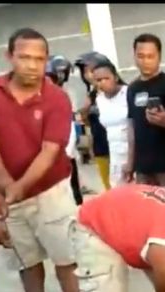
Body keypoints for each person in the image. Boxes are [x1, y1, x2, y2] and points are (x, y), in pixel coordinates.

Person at [0, 28, 88, 292]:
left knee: (66, 258)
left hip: (51, 191)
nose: (32, 65)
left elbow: (50, 152)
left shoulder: (57, 99)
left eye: (39, 59)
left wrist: (18, 187)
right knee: (26, 259)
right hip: (10, 194)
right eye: (24, 57)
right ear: (9, 57)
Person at [124, 33, 165, 191]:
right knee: (147, 215)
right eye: (140, 56)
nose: (145, 61)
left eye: (150, 56)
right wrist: (130, 163)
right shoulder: (133, 88)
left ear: (159, 57)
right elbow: (132, 128)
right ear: (134, 56)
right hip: (143, 170)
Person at [46, 55, 84, 206]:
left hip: (65, 152)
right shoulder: (49, 95)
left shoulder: (63, 94)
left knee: (72, 191)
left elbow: (70, 124)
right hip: (56, 153)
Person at [75, 51, 113, 192]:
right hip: (101, 149)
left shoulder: (118, 91)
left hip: (118, 149)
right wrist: (85, 110)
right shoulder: (91, 96)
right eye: (85, 72)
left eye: (90, 71)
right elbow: (90, 124)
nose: (88, 75)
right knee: (110, 190)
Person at [92, 59, 130, 188]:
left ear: (116, 77)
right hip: (115, 155)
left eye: (106, 78)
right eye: (98, 80)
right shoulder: (100, 99)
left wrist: (131, 162)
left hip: (134, 153)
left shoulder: (129, 93)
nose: (103, 82)